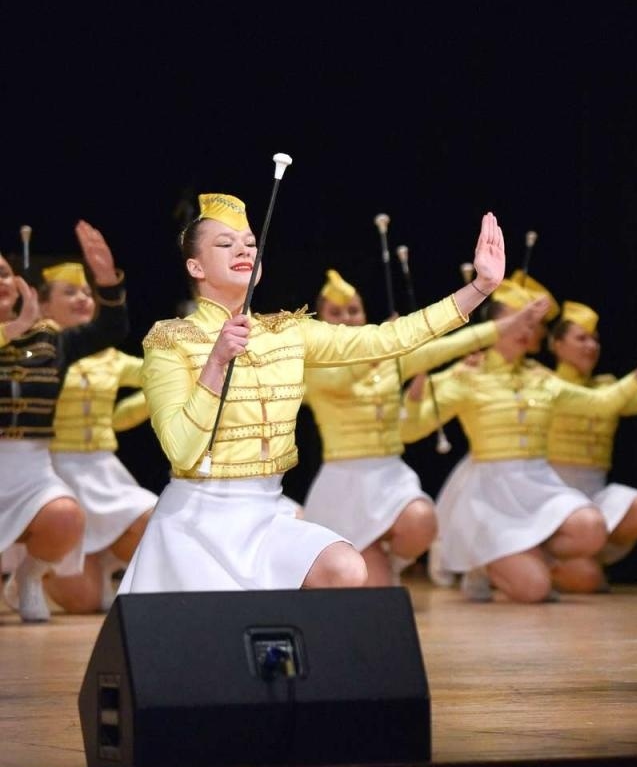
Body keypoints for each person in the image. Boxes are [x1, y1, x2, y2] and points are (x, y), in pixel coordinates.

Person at [117, 194, 504, 593]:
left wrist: (479, 288)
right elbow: (181, 450)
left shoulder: (288, 331)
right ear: (195, 266)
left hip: (266, 510)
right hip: (197, 518)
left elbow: (390, 338)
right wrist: (214, 364)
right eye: (224, 243)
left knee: (347, 570)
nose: (243, 250)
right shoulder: (169, 340)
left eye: (250, 243)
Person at [401, 275, 637, 603]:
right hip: (491, 495)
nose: (526, 329)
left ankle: (529, 555)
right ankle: (489, 563)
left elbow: (602, 404)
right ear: (493, 327)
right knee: (535, 590)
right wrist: (415, 393)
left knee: (592, 528)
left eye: (532, 323)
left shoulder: (541, 378)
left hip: (537, 485)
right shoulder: (467, 376)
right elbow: (408, 431)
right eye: (516, 321)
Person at [301, 268, 546, 586]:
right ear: (321, 318)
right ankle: (376, 565)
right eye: (336, 312)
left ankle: (389, 560)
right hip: (342, 485)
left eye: (354, 310)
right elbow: (343, 376)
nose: (347, 318)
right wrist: (382, 345)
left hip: (387, 475)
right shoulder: (313, 366)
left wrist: (503, 327)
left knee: (423, 520)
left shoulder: (391, 358)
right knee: (374, 592)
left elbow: (445, 347)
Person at [0, 222, 128, 622]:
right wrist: (10, 331)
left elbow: (111, 328)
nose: (1, 280)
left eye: (4, 272)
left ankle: (30, 574)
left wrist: (106, 280)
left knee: (66, 516)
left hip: (31, 465)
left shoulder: (50, 339)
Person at [544, 300, 637, 590]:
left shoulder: (606, 384)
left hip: (593, 488)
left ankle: (577, 561)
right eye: (581, 338)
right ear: (556, 344)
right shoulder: (545, 383)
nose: (591, 346)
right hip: (551, 491)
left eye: (595, 339)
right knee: (589, 580)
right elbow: (603, 404)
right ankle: (543, 557)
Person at [34, 261, 157, 612]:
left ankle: (110, 560)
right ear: (43, 305)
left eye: (87, 292)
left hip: (103, 472)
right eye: (69, 292)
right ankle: (30, 574)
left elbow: (156, 376)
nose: (82, 298)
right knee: (84, 604)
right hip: (54, 470)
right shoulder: (34, 353)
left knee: (153, 522)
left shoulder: (111, 357)